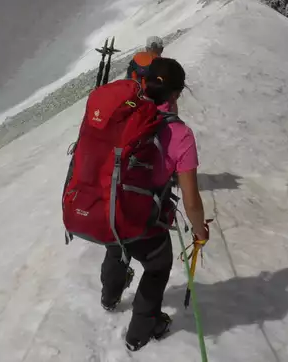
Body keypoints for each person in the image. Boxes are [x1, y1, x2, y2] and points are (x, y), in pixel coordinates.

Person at [101, 57, 209, 352]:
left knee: (116, 247)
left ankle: (109, 297)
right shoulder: (181, 135)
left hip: (111, 208)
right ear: (175, 95)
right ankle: (139, 331)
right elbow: (191, 200)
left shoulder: (124, 113)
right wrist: (200, 232)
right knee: (158, 267)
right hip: (146, 223)